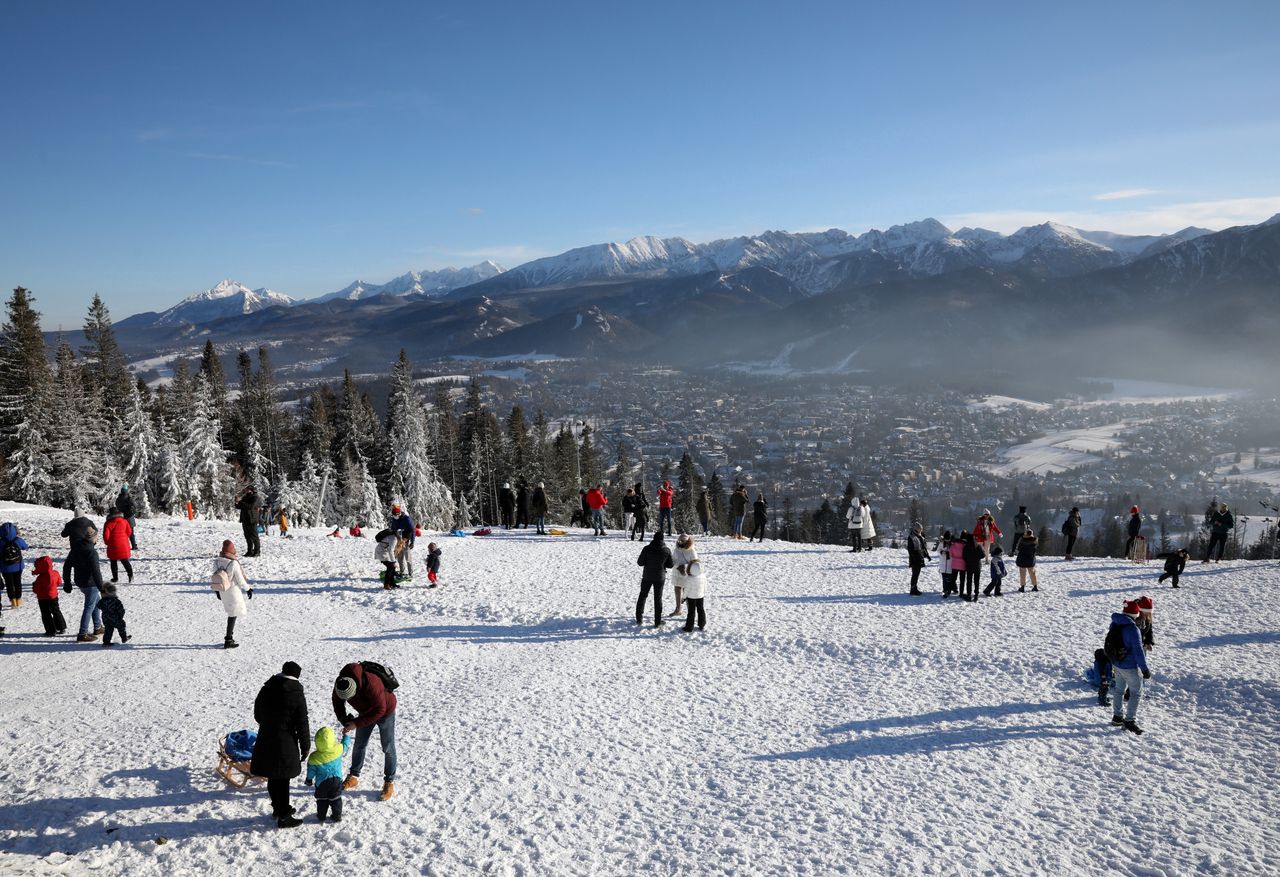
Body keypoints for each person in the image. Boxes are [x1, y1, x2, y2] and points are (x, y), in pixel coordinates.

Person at [251, 661, 310, 828]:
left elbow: (257, 714)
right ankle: (284, 816)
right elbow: (302, 722)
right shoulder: (296, 694)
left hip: (266, 738)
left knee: (273, 775)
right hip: (286, 742)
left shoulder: (266, 688)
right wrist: (305, 746)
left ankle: (278, 809)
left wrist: (269, 724)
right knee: (283, 779)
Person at [334, 662, 398, 801]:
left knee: (387, 746)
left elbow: (379, 710)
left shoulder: (372, 684)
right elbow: (337, 703)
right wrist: (344, 720)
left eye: (351, 698)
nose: (349, 701)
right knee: (359, 745)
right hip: (365, 711)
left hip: (385, 711)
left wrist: (356, 724)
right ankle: (354, 776)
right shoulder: (341, 685)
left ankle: (389, 781)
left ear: (356, 690)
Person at [1105, 601, 1151, 735]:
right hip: (1129, 666)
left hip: (1116, 663)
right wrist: (1144, 669)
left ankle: (1117, 717)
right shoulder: (1132, 629)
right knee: (1136, 692)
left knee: (1119, 690)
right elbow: (1138, 651)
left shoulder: (1115, 622)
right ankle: (1130, 721)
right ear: (1135, 613)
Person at [62, 514, 104, 642]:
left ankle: (98, 627)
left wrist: (67, 582)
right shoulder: (91, 552)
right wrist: (102, 587)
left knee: (96, 602)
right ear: (93, 539)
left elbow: (66, 566)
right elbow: (96, 571)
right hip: (90, 583)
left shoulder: (75, 549)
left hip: (80, 582)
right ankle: (82, 633)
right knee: (89, 607)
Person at [305, 726, 351, 824]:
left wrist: (309, 780)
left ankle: (321, 816)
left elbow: (311, 771)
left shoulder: (314, 757)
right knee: (336, 799)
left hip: (321, 784)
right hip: (336, 781)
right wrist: (345, 735)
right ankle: (337, 815)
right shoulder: (338, 749)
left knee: (322, 800)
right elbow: (346, 745)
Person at [213, 539, 252, 648]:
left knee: (231, 613)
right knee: (233, 614)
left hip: (222, 590)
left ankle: (229, 638)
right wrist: (248, 589)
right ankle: (228, 639)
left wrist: (217, 591)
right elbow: (240, 580)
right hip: (233, 591)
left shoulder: (217, 561)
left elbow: (215, 577)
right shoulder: (233, 563)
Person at [635, 531, 673, 626]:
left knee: (643, 595)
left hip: (647, 576)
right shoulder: (666, 550)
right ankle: (657, 621)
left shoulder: (647, 549)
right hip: (660, 577)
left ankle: (639, 618)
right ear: (663, 539)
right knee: (658, 598)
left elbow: (640, 562)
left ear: (653, 538)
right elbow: (671, 565)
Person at [31, 555, 67, 636]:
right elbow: (59, 583)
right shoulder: (55, 573)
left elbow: (36, 590)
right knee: (56, 611)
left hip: (43, 598)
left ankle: (50, 630)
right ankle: (61, 627)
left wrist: (34, 586)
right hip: (54, 596)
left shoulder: (40, 578)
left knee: (46, 614)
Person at [678, 544, 709, 632]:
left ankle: (689, 627)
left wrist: (683, 598)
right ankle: (702, 624)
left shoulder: (689, 578)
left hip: (691, 597)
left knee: (691, 612)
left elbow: (686, 590)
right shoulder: (703, 576)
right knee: (701, 609)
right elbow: (705, 586)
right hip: (700, 596)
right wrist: (703, 592)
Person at [1, 521, 30, 610]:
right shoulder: (18, 540)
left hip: (5, 567)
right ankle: (18, 599)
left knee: (9, 584)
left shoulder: (1, 542)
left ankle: (12, 600)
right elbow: (25, 547)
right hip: (18, 566)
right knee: (17, 583)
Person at [102, 507, 134, 583]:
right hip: (123, 544)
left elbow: (106, 535)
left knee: (113, 562)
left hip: (113, 545)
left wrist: (107, 543)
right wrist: (125, 537)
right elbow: (129, 532)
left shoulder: (108, 523)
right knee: (125, 561)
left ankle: (115, 578)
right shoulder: (125, 521)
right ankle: (130, 575)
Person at [390, 503, 416, 581]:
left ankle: (411, 574)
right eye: (393, 515)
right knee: (400, 558)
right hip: (398, 540)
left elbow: (413, 530)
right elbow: (393, 529)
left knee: (408, 558)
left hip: (406, 540)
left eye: (395, 515)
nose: (394, 516)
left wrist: (412, 541)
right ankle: (402, 572)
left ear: (399, 513)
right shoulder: (394, 519)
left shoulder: (407, 519)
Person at [237, 486, 263, 557]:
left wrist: (241, 502)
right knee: (247, 536)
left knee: (254, 536)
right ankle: (249, 551)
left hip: (252, 519)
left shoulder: (256, 497)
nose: (245, 491)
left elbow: (251, 506)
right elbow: (240, 506)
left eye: (247, 490)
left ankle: (257, 551)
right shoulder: (245, 497)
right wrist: (237, 502)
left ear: (251, 490)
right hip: (245, 519)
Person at [905, 521, 930, 595]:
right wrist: (914, 558)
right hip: (915, 559)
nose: (921, 530)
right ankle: (913, 590)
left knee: (917, 574)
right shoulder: (911, 537)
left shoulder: (920, 536)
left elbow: (923, 547)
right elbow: (910, 550)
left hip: (920, 558)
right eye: (920, 529)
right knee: (915, 574)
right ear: (917, 529)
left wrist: (927, 555)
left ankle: (914, 588)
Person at [961, 531, 983, 602]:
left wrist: (968, 560)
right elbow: (983, 555)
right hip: (977, 566)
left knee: (969, 581)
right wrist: (977, 557)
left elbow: (963, 556)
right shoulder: (978, 546)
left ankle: (969, 594)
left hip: (969, 566)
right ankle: (976, 594)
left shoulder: (966, 547)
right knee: (976, 581)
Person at [115, 485, 138, 550]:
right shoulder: (129, 498)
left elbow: (117, 506)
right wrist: (133, 512)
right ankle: (133, 545)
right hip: (129, 517)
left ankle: (121, 545)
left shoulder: (118, 499)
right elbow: (135, 506)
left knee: (122, 532)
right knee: (131, 532)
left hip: (121, 517)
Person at [946, 532, 967, 599]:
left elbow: (950, 555)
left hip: (955, 564)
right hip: (963, 564)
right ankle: (961, 593)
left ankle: (948, 591)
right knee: (962, 580)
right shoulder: (964, 545)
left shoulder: (953, 545)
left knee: (953, 579)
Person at [936, 530, 956, 597]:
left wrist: (949, 553)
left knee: (950, 578)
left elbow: (955, 553)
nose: (947, 541)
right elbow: (938, 550)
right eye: (946, 540)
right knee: (944, 578)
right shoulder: (941, 543)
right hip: (943, 563)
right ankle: (945, 589)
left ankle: (953, 588)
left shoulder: (953, 544)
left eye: (948, 540)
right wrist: (942, 552)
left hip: (950, 564)